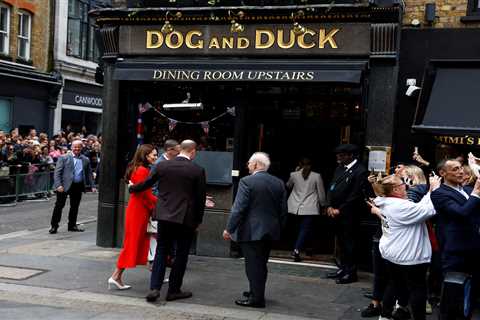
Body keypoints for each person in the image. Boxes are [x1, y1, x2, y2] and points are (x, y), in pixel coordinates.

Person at [129, 140, 206, 303]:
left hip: (164, 215)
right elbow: (200, 199)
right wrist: (198, 220)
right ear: (192, 152)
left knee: (161, 251)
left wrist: (132, 188)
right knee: (181, 254)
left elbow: (147, 183)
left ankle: (155, 288)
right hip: (186, 218)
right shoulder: (197, 170)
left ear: (180, 150)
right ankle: (173, 290)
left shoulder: (163, 166)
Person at [369, 174, 441, 320]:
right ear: (395, 189)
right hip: (408, 255)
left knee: (395, 284)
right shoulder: (400, 206)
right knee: (418, 289)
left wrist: (430, 192)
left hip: (392, 252)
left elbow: (419, 207)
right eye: (403, 184)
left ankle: (385, 315)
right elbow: (428, 210)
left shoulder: (386, 201)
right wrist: (435, 190)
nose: (406, 186)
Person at [223, 152, 287, 308]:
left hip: (251, 231)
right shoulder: (278, 182)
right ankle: (255, 291)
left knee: (253, 265)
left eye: (250, 163)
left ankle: (256, 298)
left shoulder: (247, 182)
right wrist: (279, 228)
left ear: (257, 165)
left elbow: (238, 209)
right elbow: (283, 210)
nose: (248, 166)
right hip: (270, 230)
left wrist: (229, 229)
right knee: (261, 264)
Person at [430, 159, 480, 317]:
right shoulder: (439, 193)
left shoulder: (467, 189)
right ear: (442, 173)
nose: (460, 172)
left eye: (461, 168)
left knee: (470, 294)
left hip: (474, 249)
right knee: (452, 295)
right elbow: (461, 213)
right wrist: (477, 193)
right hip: (455, 252)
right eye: (455, 169)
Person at [108, 144, 158, 290]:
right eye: (153, 155)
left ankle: (118, 276)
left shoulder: (137, 168)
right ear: (145, 155)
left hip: (137, 209)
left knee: (137, 242)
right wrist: (161, 203)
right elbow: (145, 195)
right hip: (139, 210)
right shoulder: (143, 170)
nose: (155, 157)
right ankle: (116, 276)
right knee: (133, 243)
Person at [326, 144, 371, 284]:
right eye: (338, 154)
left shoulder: (360, 171)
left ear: (351, 156)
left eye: (342, 155)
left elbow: (355, 194)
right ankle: (343, 268)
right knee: (340, 242)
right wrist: (329, 205)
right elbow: (331, 186)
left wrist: (340, 209)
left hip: (349, 214)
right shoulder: (339, 168)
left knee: (350, 243)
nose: (338, 157)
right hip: (335, 213)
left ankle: (351, 272)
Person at [49, 140, 95, 234]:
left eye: (79, 147)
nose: (77, 149)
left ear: (81, 148)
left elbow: (89, 174)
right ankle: (54, 226)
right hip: (64, 186)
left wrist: (92, 186)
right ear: (71, 147)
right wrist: (58, 185)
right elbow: (57, 172)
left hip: (77, 185)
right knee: (59, 206)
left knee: (75, 207)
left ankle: (72, 225)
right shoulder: (64, 157)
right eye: (75, 147)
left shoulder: (85, 159)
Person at [286, 157, 326, 262]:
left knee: (302, 229)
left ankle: (307, 248)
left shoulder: (293, 175)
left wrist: (295, 172)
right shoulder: (317, 176)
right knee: (305, 229)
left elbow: (288, 186)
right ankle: (296, 250)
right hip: (310, 207)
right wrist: (324, 205)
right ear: (311, 165)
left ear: (300, 164)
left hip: (295, 207)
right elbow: (321, 193)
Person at [148, 139, 180, 268]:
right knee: (162, 234)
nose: (179, 152)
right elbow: (153, 187)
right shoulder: (159, 164)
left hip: (171, 204)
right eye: (177, 149)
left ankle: (170, 257)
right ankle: (163, 259)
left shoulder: (173, 162)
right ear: (170, 150)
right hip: (163, 205)